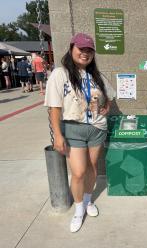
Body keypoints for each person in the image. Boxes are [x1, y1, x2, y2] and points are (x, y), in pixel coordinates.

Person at [44, 33, 115, 232]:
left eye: (89, 50)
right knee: (78, 172)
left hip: (96, 128)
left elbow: (109, 96)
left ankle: (88, 200)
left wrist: (106, 106)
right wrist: (58, 135)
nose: (85, 53)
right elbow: (54, 108)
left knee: (92, 167)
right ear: (72, 48)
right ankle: (78, 209)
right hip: (73, 129)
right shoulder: (61, 73)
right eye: (81, 49)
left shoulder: (97, 76)